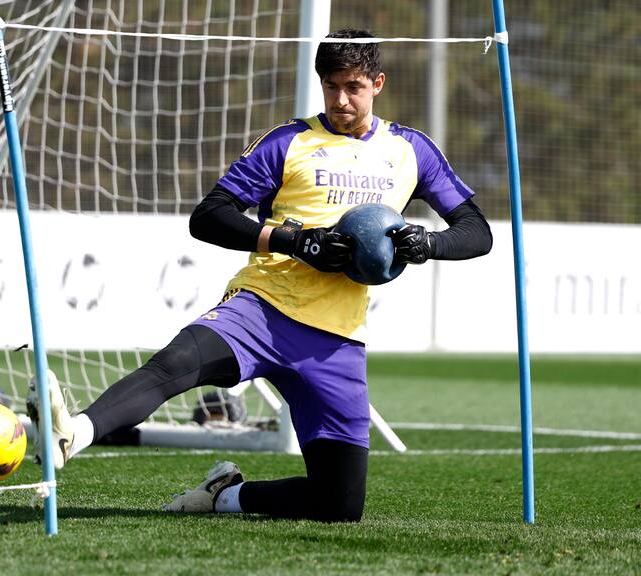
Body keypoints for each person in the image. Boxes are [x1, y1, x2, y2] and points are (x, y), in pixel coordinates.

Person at [29, 28, 492, 522]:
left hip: (336, 340)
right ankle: (71, 434)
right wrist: (293, 240)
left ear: (377, 83)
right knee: (175, 363)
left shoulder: (410, 150)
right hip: (264, 307)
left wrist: (428, 244)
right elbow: (209, 216)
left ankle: (226, 494)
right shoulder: (287, 142)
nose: (341, 99)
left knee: (339, 505)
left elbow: (476, 231)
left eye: (353, 87)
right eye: (331, 86)